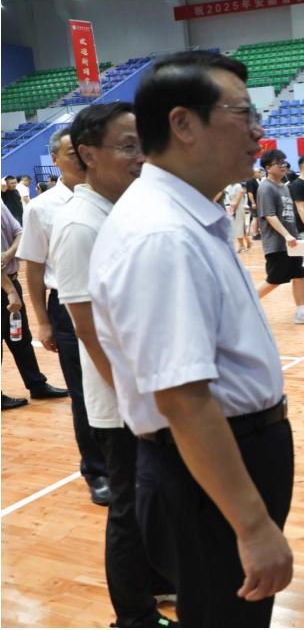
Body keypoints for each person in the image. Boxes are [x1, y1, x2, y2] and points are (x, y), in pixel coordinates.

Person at [86, 50, 294, 627]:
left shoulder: (187, 216)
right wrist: (252, 526)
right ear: (183, 124)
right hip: (205, 471)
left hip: (224, 459)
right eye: (243, 114)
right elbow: (183, 399)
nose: (258, 132)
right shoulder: (162, 234)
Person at [48, 101, 176, 629]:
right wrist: (130, 398)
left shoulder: (121, 208)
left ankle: (157, 580)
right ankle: (133, 616)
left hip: (147, 387)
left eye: (142, 144)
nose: (140, 155)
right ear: (88, 154)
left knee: (153, 499)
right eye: (127, 146)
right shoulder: (81, 224)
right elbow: (85, 327)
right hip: (123, 398)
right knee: (128, 507)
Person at [16, 127, 110, 506]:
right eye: (73, 152)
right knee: (84, 392)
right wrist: (42, 321)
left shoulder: (109, 195)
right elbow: (35, 267)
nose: (82, 158)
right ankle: (97, 471)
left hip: (114, 303)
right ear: (55, 159)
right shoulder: (42, 207)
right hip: (69, 305)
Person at [2, 203, 68, 410]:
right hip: (7, 285)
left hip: (11, 280)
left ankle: (37, 384)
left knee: (21, 338)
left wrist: (8, 254)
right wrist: (10, 290)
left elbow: (19, 232)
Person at [255, 148, 304, 324]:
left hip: (292, 244)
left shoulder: (285, 187)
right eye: (278, 163)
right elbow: (269, 215)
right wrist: (287, 235)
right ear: (268, 167)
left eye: (284, 163)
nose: (283, 166)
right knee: (274, 280)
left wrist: (293, 236)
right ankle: (243, 304)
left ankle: (301, 312)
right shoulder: (266, 188)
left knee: (299, 275)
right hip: (277, 244)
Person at [224, 181, 252, 252]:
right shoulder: (228, 187)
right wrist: (229, 208)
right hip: (231, 208)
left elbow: (238, 199)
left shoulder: (238, 186)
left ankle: (242, 245)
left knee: (239, 227)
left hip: (239, 208)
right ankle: (246, 243)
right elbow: (227, 199)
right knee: (238, 227)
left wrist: (234, 208)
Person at [247, 167, 263, 240]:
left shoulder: (254, 180)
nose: (260, 173)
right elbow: (250, 193)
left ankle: (257, 232)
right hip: (254, 203)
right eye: (258, 172)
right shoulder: (250, 181)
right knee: (255, 218)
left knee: (257, 218)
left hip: (257, 202)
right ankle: (255, 234)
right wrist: (253, 203)